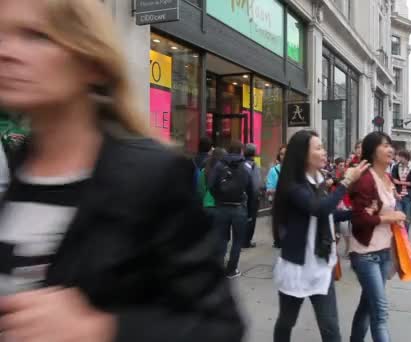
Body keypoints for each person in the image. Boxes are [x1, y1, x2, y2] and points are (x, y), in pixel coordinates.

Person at [0, 0, 244, 340]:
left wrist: (98, 329)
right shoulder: (20, 168)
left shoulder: (152, 174)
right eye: (2, 35)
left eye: (35, 35)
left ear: (92, 63)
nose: (6, 52)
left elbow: (219, 326)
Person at [272, 130, 368, 342]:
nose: (324, 152)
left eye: (323, 147)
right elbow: (318, 209)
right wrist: (345, 183)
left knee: (331, 330)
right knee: (287, 321)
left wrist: (358, 212)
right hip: (297, 267)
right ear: (303, 154)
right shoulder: (292, 185)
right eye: (318, 148)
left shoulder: (319, 180)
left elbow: (329, 213)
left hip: (321, 265)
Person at [349, 132, 406, 342]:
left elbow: (382, 210)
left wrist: (391, 216)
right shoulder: (365, 180)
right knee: (380, 312)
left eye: (391, 145)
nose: (390, 149)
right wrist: (389, 218)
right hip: (365, 254)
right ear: (372, 151)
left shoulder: (388, 177)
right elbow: (358, 219)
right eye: (384, 145)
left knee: (367, 306)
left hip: (384, 251)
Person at [209, 140, 254, 278]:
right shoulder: (246, 166)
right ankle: (231, 270)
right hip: (239, 208)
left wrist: (218, 198)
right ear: (241, 151)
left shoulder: (219, 165)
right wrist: (251, 211)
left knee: (222, 239)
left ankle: (218, 268)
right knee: (237, 241)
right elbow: (252, 190)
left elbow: (211, 185)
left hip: (221, 207)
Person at [197, 147, 227, 230]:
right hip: (220, 206)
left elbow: (201, 189)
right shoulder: (224, 171)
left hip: (206, 205)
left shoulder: (204, 171)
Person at [244, 143, 262, 249]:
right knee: (251, 218)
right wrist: (256, 197)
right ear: (254, 152)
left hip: (242, 195)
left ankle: (242, 239)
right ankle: (247, 241)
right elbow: (255, 183)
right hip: (252, 196)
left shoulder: (241, 162)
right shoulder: (254, 164)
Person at [392, 151, 411, 228]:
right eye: (399, 156)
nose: (399, 158)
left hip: (408, 196)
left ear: (405, 158)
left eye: (400, 157)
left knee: (407, 217)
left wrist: (399, 182)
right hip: (398, 195)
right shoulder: (396, 167)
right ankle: (399, 236)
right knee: (398, 217)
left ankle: (405, 236)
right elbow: (393, 180)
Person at [267, 145, 286, 248]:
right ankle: (279, 241)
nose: (284, 156)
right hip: (278, 203)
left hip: (292, 204)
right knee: (278, 224)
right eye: (282, 154)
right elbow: (269, 190)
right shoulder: (273, 171)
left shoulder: (295, 170)